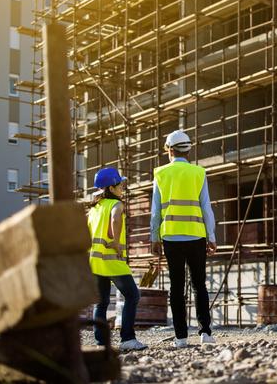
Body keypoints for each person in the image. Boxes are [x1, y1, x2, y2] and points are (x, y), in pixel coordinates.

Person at [150, 130, 217, 348]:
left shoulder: (160, 173)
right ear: (188, 150)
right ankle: (205, 332)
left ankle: (180, 337)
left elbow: (155, 211)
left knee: (176, 287)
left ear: (170, 149)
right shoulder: (199, 172)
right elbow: (206, 207)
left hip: (171, 237)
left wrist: (154, 237)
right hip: (196, 235)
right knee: (199, 285)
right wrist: (212, 235)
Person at [87, 167, 147, 351]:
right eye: (120, 184)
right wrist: (115, 241)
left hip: (95, 261)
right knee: (132, 296)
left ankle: (101, 344)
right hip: (112, 260)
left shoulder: (94, 208)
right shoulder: (116, 205)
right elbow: (115, 219)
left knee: (101, 302)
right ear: (111, 188)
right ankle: (127, 339)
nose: (122, 187)